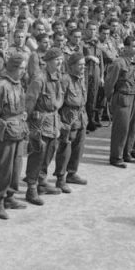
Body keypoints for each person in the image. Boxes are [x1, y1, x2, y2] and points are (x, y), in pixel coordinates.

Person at [0, 54, 29, 219]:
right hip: (6, 132)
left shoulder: (18, 84)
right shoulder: (1, 86)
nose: (24, 72)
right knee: (4, 167)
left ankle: (10, 197)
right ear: (13, 68)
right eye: (21, 68)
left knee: (16, 166)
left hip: (19, 129)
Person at [25, 47, 65, 204]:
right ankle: (31, 188)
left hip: (53, 122)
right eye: (56, 60)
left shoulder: (57, 77)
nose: (60, 62)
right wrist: (28, 124)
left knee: (49, 153)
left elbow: (60, 98)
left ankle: (41, 182)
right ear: (47, 61)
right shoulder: (39, 79)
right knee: (37, 155)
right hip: (40, 124)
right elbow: (29, 102)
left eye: (61, 59)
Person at [54, 53, 89, 191]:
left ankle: (72, 173)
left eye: (84, 64)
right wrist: (60, 122)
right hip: (68, 118)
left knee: (78, 147)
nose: (83, 67)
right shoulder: (65, 80)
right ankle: (60, 178)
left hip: (81, 117)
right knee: (65, 149)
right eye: (80, 64)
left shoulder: (81, 78)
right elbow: (58, 103)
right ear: (72, 65)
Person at [104, 36, 135, 168]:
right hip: (122, 97)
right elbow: (109, 83)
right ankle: (116, 157)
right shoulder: (119, 63)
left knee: (132, 128)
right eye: (134, 46)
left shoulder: (134, 62)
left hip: (133, 97)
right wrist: (109, 99)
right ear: (126, 48)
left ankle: (127, 153)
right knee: (121, 128)